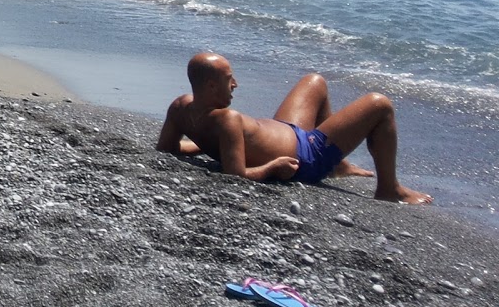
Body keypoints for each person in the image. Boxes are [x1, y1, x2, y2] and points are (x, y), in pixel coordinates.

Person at [156, 52, 430, 203]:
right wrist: (272, 168)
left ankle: (338, 164)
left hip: (284, 129)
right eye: (230, 80)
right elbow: (235, 175)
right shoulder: (226, 119)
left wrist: (205, 146)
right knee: (379, 104)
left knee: (315, 81)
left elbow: (168, 148)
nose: (236, 84)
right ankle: (389, 188)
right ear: (212, 86)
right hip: (306, 157)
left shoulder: (180, 107)